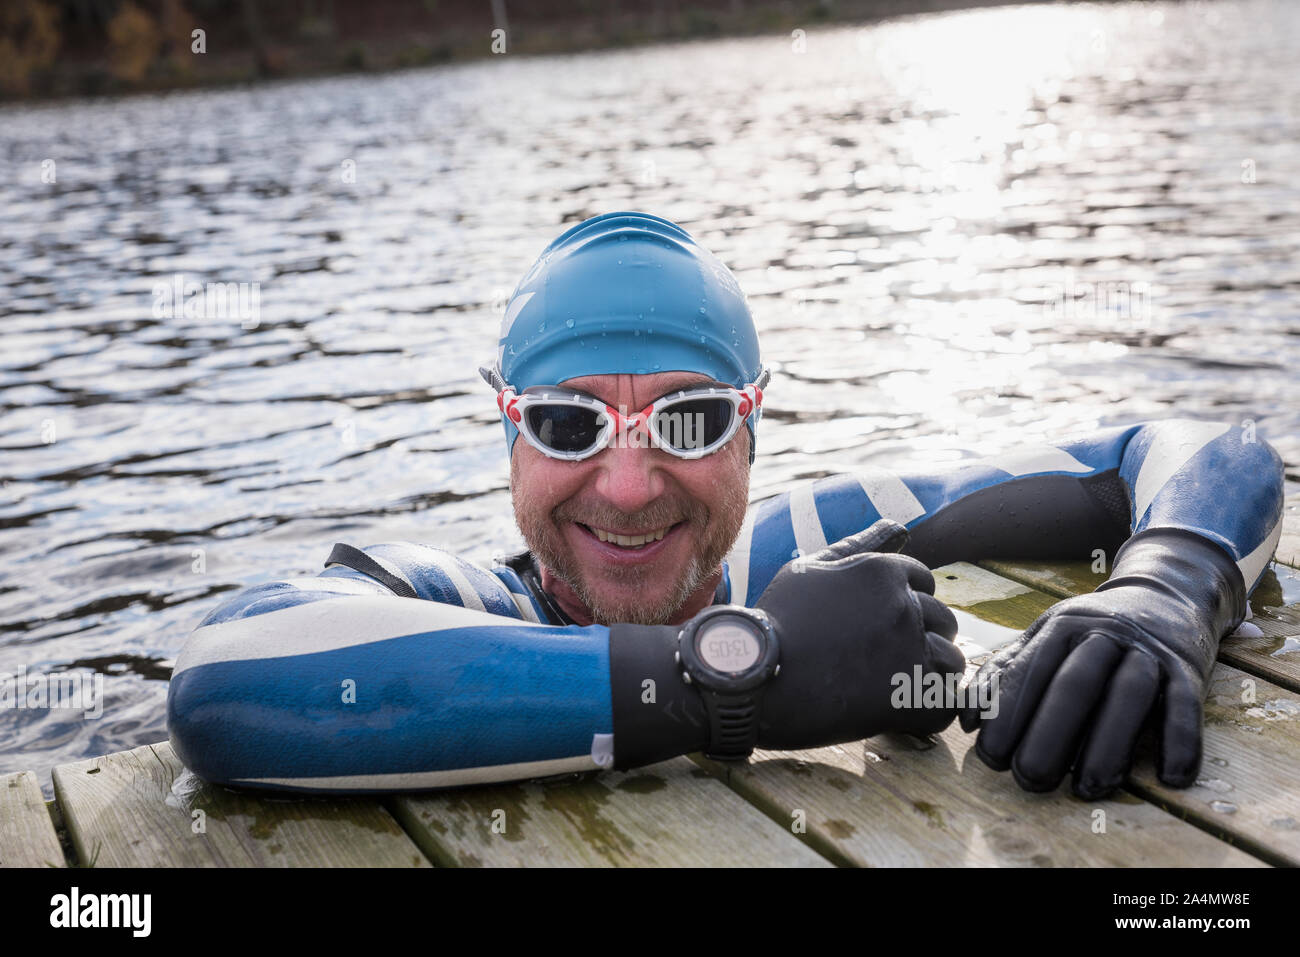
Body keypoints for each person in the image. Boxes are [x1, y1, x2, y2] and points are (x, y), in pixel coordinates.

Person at [167, 211, 1285, 801]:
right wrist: (735, 683)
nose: (628, 484)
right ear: (508, 430)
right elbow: (223, 683)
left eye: (690, 420)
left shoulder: (813, 545)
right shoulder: (465, 600)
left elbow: (1197, 446)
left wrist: (1164, 590)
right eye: (568, 424)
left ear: (751, 426)